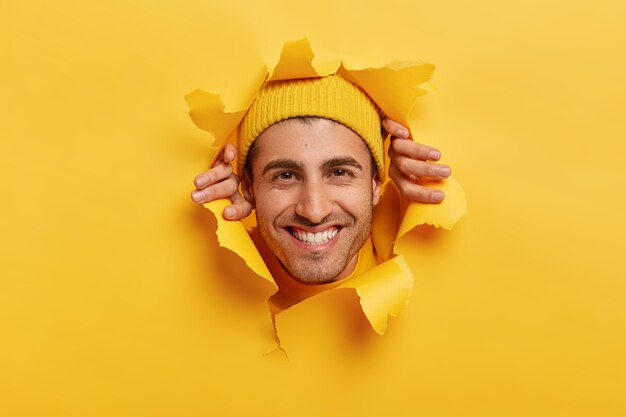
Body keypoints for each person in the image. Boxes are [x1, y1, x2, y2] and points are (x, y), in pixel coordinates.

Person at [190, 73, 451, 312]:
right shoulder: (212, 281)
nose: (314, 211)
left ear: (374, 183)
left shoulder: (414, 254)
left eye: (339, 173)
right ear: (248, 187)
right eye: (286, 176)